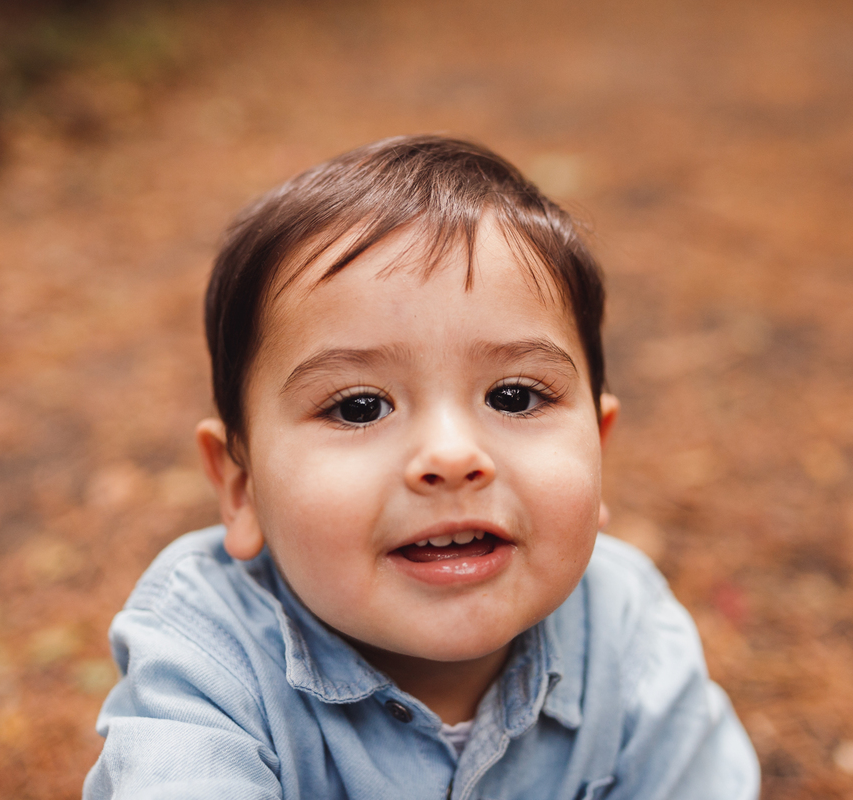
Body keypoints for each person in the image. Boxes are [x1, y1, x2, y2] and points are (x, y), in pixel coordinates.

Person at [83, 135, 759, 800]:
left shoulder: (629, 633)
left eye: (513, 396)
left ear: (600, 454)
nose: (451, 456)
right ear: (242, 487)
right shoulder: (207, 657)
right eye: (358, 408)